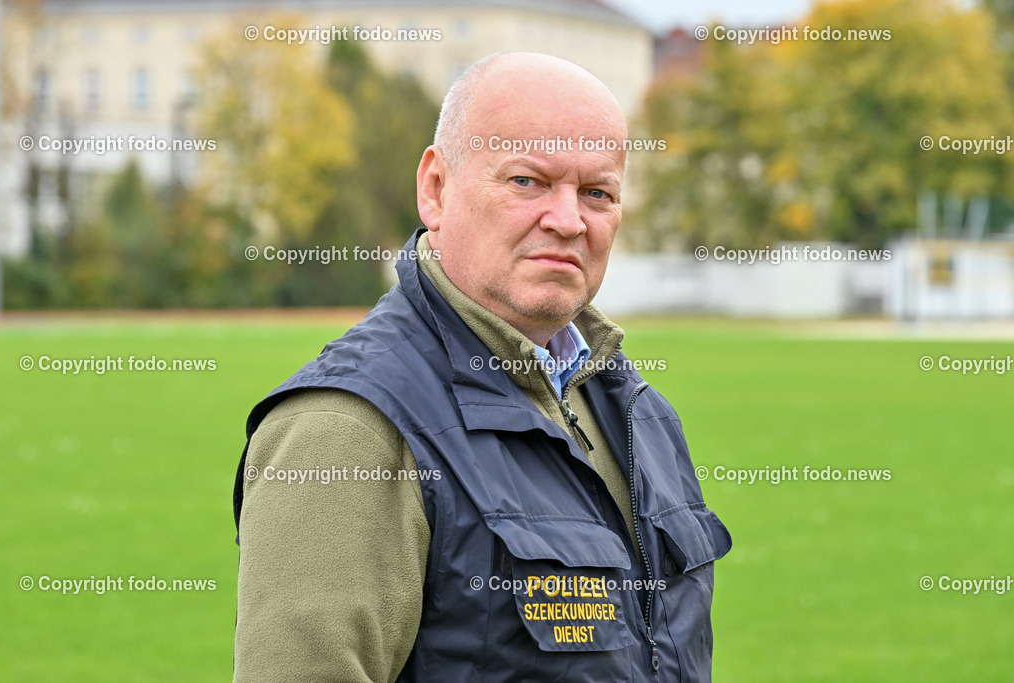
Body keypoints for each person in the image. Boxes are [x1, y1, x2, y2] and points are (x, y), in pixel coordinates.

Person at [232, 51, 731, 682]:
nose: (568, 220)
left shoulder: (637, 412)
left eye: (597, 193)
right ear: (436, 188)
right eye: (527, 182)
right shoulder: (350, 429)